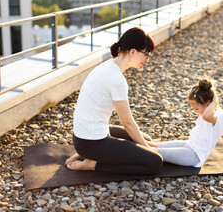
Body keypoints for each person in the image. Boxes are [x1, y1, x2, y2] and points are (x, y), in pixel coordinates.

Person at [65, 27, 163, 174]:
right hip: (92, 142)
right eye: (146, 54)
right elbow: (128, 123)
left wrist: (143, 144)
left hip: (83, 137)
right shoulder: (117, 79)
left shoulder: (106, 66)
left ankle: (85, 154)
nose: (146, 60)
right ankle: (93, 164)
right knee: (155, 161)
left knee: (145, 138)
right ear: (132, 52)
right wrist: (147, 149)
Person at [155, 79, 223, 167]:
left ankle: (134, 155)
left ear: (208, 105)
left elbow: (206, 116)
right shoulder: (206, 109)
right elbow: (189, 92)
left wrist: (215, 101)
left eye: (196, 108)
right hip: (188, 144)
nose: (195, 111)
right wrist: (205, 91)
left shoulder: (219, 116)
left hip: (195, 155)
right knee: (153, 145)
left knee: (156, 152)